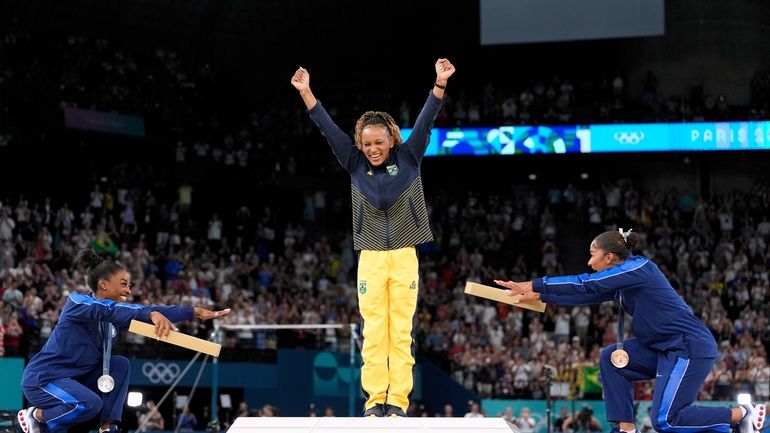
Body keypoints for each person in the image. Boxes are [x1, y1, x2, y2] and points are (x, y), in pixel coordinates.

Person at [291, 58, 455, 418]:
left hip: (404, 255)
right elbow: (327, 127)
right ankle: (373, 400)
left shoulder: (410, 157)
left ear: (391, 139)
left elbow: (427, 119)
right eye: (366, 143)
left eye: (379, 142)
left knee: (401, 332)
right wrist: (306, 92)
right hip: (371, 258)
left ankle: (396, 401)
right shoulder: (353, 163)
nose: (372, 149)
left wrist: (439, 84)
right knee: (373, 331)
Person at [495, 229, 766, 433]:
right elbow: (587, 295)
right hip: (662, 348)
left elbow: (586, 284)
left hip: (688, 347)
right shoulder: (624, 278)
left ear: (609, 256)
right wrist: (538, 296)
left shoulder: (640, 268)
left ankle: (742, 413)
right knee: (611, 359)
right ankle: (626, 430)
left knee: (665, 420)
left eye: (593, 255)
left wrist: (534, 283)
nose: (590, 262)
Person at [17, 249, 231, 433]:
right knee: (89, 403)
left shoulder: (114, 317)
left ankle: (108, 426)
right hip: (44, 379)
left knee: (120, 364)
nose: (129, 290)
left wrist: (192, 312)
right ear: (103, 284)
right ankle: (36, 417)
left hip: (76, 379)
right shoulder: (76, 302)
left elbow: (141, 311)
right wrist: (150, 315)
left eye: (130, 285)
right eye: (123, 284)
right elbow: (115, 310)